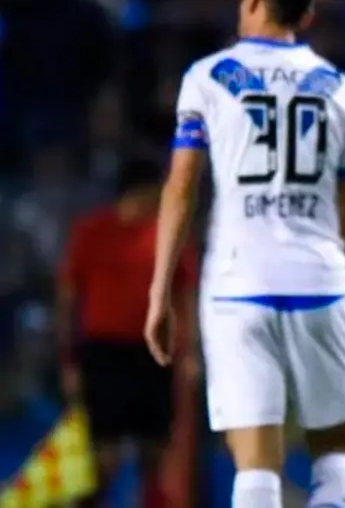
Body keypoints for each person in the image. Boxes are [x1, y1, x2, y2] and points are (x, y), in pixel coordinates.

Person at [144, 0, 345, 508]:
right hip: (319, 280)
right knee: (336, 458)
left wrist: (159, 294)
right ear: (307, 15)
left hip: (238, 287)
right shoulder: (341, 89)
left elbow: (181, 189)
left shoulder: (206, 79)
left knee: (255, 467)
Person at [56, 158, 198, 508]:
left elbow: (187, 295)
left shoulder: (170, 231)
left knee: (156, 453)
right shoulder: (92, 231)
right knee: (104, 455)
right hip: (105, 354)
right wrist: (69, 359)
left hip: (154, 353)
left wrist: (190, 352)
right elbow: (68, 298)